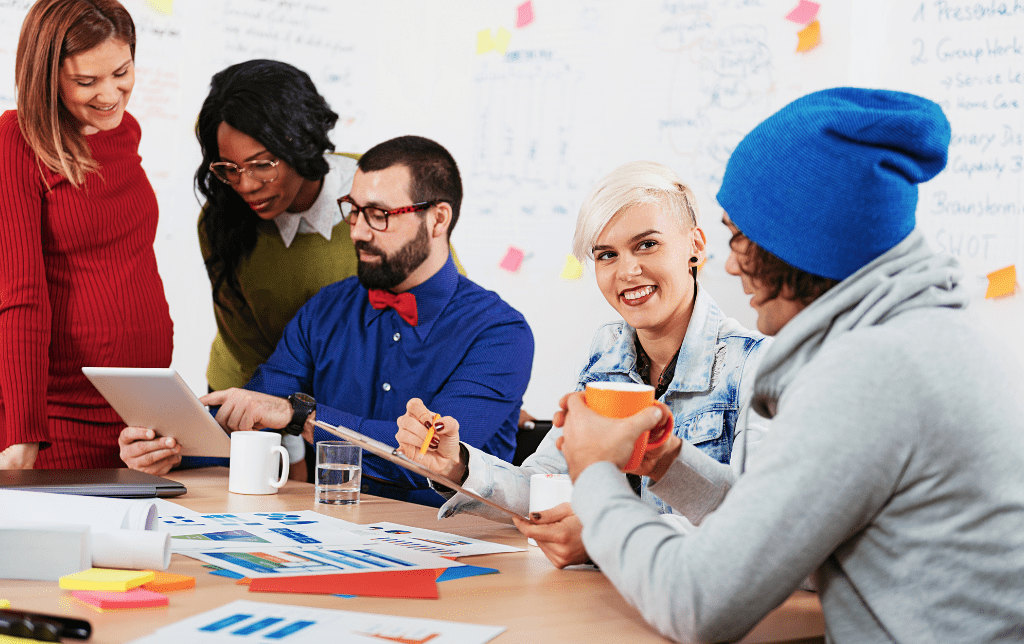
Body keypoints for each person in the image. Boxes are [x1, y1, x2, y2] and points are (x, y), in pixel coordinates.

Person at [557, 88, 1024, 642]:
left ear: (803, 238)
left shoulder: (871, 372)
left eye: (740, 238)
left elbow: (697, 603)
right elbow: (789, 537)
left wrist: (595, 475)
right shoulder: (927, 333)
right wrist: (670, 464)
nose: (729, 265)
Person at [122, 135, 534, 506]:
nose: (356, 231)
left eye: (378, 214)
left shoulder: (500, 334)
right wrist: (171, 447)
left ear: (437, 219)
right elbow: (256, 410)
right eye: (352, 211)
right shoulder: (326, 310)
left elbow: (424, 459)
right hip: (332, 530)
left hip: (460, 549)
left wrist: (299, 416)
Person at [395, 161, 768, 567]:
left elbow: (762, 528)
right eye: (607, 255)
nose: (627, 270)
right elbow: (548, 483)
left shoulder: (754, 365)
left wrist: (609, 535)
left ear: (696, 245)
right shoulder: (607, 352)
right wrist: (458, 465)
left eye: (647, 245)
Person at [117, 60, 465, 479]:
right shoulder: (222, 221)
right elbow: (247, 342)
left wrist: (474, 401)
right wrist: (207, 439)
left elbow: (441, 301)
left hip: (343, 405)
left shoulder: (376, 197)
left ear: (300, 144)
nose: (246, 185)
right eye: (230, 168)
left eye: (263, 164)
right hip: (254, 389)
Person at [0, 0, 173, 470]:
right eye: (86, 81)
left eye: (121, 72)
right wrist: (22, 435)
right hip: (60, 422)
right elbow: (20, 296)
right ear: (46, 78)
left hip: (140, 420)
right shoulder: (16, 141)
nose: (109, 93)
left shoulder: (126, 130)